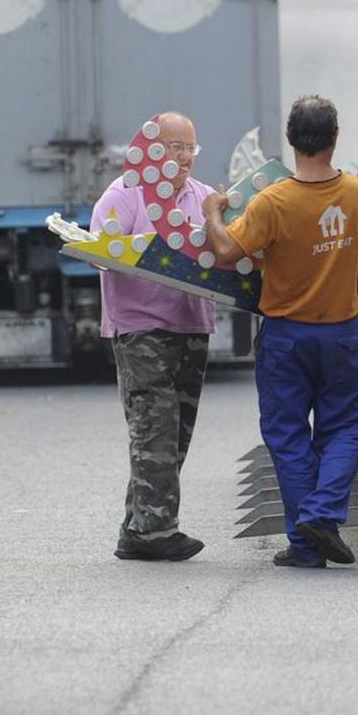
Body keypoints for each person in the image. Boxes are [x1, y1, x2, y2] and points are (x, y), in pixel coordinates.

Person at [202, 95, 358, 569]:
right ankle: (315, 527)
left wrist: (213, 210)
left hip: (285, 337)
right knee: (348, 425)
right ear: (335, 139)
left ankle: (308, 538)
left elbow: (224, 251)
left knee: (288, 435)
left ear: (290, 139)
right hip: (341, 332)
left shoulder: (272, 202)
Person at [92, 111, 214, 562]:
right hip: (140, 327)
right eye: (174, 147)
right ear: (152, 149)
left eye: (190, 149)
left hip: (192, 325)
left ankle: (137, 527)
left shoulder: (205, 198)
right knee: (154, 425)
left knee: (174, 432)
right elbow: (100, 253)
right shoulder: (124, 194)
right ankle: (157, 531)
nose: (184, 158)